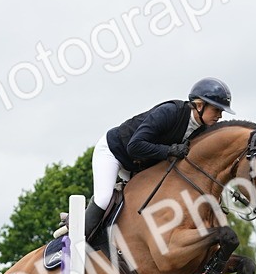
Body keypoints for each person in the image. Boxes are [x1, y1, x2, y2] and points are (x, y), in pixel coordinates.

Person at [77, 77, 234, 238]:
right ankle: (75, 241)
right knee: (104, 199)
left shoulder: (201, 132)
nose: (220, 116)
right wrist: (169, 151)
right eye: (217, 110)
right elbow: (135, 146)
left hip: (140, 166)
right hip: (115, 152)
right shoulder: (170, 112)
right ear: (200, 105)